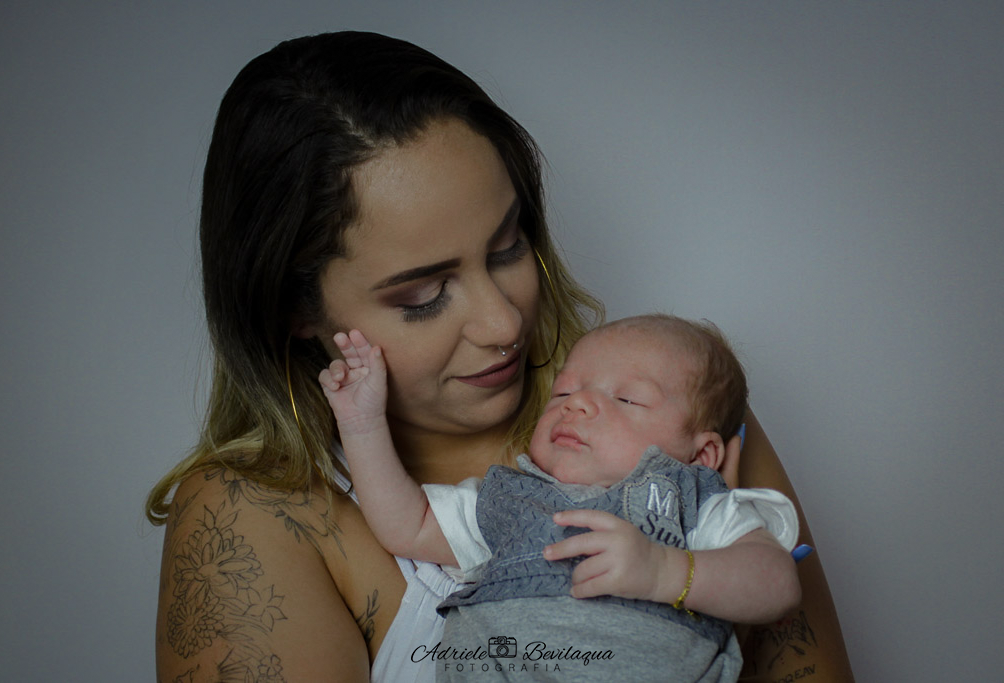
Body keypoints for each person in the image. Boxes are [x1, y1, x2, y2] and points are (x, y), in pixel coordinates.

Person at [146, 30, 854, 683]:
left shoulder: (672, 403)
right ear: (293, 310)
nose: (504, 321)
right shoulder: (248, 516)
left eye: (509, 246)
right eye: (423, 295)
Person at [321, 314, 801, 681]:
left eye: (626, 399)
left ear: (702, 455)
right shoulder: (511, 498)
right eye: (563, 392)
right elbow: (408, 526)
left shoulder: (690, 500)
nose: (577, 403)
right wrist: (362, 425)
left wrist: (665, 571)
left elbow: (778, 583)